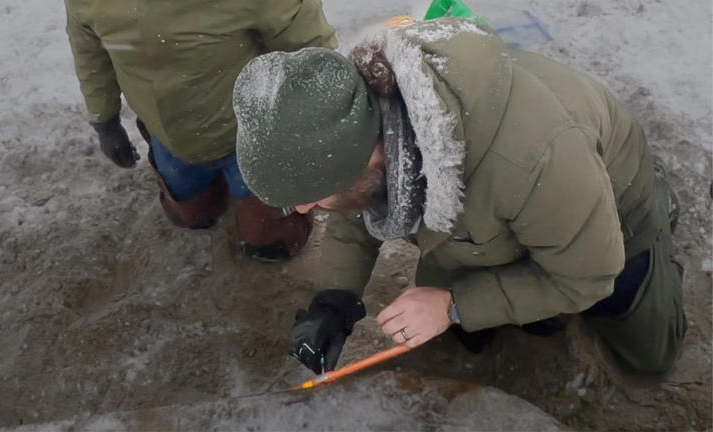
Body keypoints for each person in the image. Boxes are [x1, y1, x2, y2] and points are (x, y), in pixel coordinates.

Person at [232, 17, 687, 374]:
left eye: (311, 196)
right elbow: (356, 208)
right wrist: (334, 301)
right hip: (489, 217)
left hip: (606, 200)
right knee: (486, 324)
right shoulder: (360, 127)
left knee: (648, 354)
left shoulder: (535, 158)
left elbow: (589, 277)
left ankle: (659, 203)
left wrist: (453, 306)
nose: (307, 210)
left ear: (364, 158)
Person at [64, 0, 336, 260]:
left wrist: (328, 120)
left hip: (253, 135)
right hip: (172, 139)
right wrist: (105, 121)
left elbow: (309, 45)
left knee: (272, 241)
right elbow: (88, 49)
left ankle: (267, 212)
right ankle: (213, 194)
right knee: (191, 216)